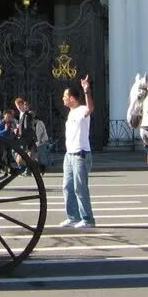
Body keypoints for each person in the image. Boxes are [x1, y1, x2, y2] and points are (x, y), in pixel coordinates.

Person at [59, 76, 96, 229]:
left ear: (72, 98)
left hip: (81, 155)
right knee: (67, 187)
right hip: (69, 155)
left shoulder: (81, 110)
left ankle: (87, 219)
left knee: (80, 188)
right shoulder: (71, 113)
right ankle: (73, 217)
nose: (63, 99)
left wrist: (86, 90)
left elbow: (90, 108)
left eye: (65, 97)